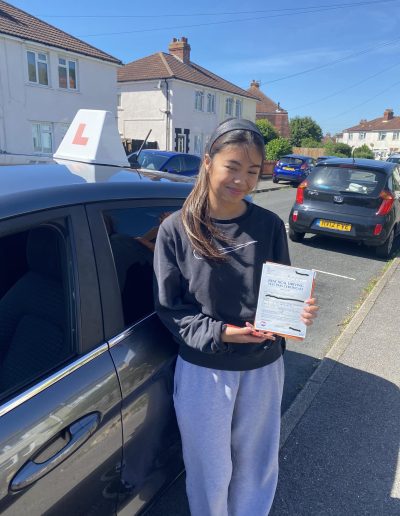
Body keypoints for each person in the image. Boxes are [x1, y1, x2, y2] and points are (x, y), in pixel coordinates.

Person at [153, 118, 318, 516]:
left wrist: (299, 310)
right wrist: (223, 333)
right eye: (233, 166)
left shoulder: (269, 225)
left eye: (253, 170)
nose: (242, 180)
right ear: (208, 162)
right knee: (209, 470)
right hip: (204, 371)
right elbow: (170, 309)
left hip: (263, 366)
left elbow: (282, 288)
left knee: (256, 465)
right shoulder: (176, 229)